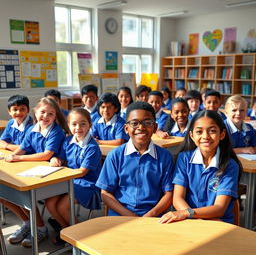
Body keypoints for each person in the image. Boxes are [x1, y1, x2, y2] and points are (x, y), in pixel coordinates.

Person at [3, 97, 68, 247]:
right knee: (5, 195)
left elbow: (46, 155)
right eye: (42, 112)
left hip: (51, 176)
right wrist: (11, 157)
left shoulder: (56, 131)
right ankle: (28, 223)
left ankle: (40, 228)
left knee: (24, 196)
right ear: (35, 112)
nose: (45, 116)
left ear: (55, 117)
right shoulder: (33, 128)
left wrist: (18, 157)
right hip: (37, 172)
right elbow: (23, 147)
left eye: (50, 114)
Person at [159, 110, 242, 224]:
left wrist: (187, 213)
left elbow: (220, 208)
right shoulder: (184, 158)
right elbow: (178, 198)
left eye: (212, 131)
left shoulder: (229, 165)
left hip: (218, 223)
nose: (205, 136)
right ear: (192, 136)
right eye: (199, 132)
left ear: (222, 134)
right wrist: (197, 220)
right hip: (190, 222)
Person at [96, 101, 174, 217]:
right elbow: (105, 193)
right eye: (134, 123)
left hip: (153, 216)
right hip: (121, 214)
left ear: (155, 127)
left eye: (147, 123)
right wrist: (130, 216)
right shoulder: (115, 155)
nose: (141, 127)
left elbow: (169, 193)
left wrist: (150, 215)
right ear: (126, 128)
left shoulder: (165, 156)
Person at [45, 108, 102, 245]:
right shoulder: (67, 141)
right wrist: (55, 159)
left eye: (83, 124)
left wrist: (65, 172)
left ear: (90, 125)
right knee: (50, 203)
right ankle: (66, 231)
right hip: (70, 182)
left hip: (88, 186)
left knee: (62, 207)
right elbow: (61, 159)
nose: (78, 128)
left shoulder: (92, 147)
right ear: (68, 125)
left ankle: (80, 238)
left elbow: (82, 172)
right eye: (74, 124)